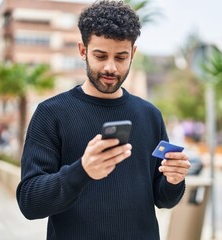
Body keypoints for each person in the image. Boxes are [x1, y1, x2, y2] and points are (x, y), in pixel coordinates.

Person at [16, 1, 190, 239]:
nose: (111, 67)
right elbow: (30, 203)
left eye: (121, 57)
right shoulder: (51, 113)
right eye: (100, 55)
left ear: (133, 54)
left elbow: (163, 199)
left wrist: (174, 180)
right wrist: (82, 170)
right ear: (82, 50)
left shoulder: (150, 115)